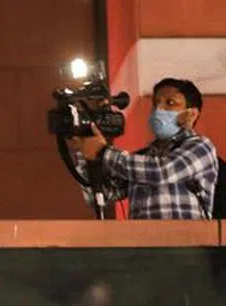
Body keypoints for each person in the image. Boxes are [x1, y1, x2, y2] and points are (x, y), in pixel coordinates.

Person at [70, 78, 217, 219]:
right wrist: (86, 153)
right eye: (156, 103)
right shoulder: (142, 158)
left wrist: (103, 152)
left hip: (186, 242)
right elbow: (101, 195)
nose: (159, 109)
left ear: (191, 114)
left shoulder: (201, 147)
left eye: (170, 103)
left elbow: (162, 172)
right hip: (143, 243)